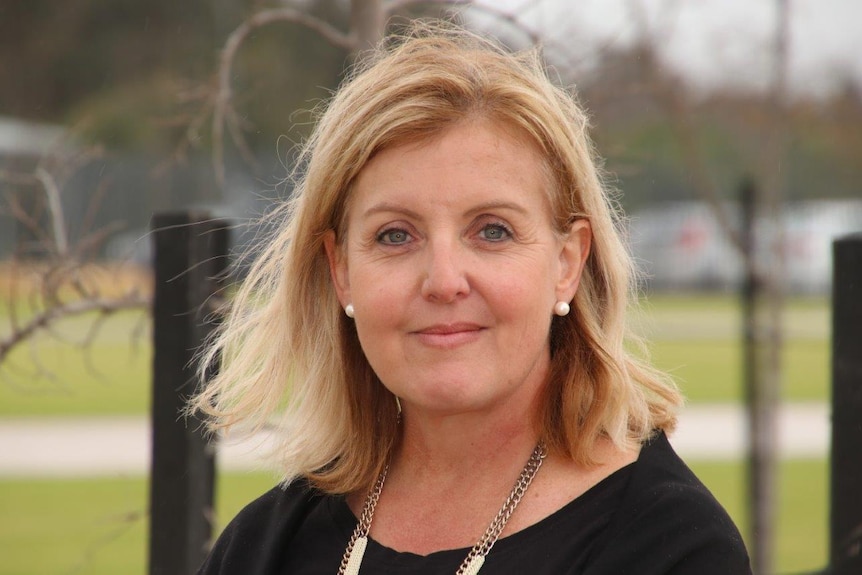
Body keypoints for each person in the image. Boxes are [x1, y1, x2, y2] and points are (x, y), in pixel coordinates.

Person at [189, 21, 751, 575]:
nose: (444, 280)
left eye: (492, 231)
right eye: (395, 235)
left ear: (567, 263)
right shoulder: (266, 547)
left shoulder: (670, 548)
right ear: (341, 272)